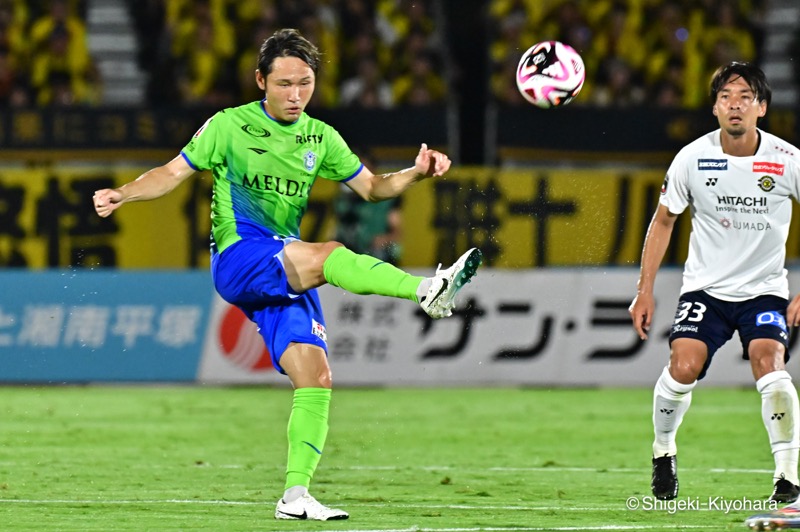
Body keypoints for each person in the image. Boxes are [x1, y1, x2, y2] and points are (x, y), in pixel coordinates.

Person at [92, 28, 482, 521]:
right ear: (261, 80)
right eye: (283, 84)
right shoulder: (228, 127)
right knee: (330, 253)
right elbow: (171, 173)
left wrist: (415, 173)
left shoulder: (321, 138)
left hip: (281, 264)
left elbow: (373, 189)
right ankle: (427, 289)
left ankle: (295, 497)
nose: (295, 95)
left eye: (305, 83)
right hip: (239, 257)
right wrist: (123, 193)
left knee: (315, 376)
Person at [628, 61, 800, 504]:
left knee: (769, 360)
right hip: (706, 289)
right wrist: (644, 289)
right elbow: (663, 220)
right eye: (726, 97)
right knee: (683, 367)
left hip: (764, 289)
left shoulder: (787, 161)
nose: (735, 105)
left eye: (745, 97)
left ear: (762, 106)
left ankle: (787, 475)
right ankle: (663, 450)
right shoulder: (692, 158)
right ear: (714, 108)